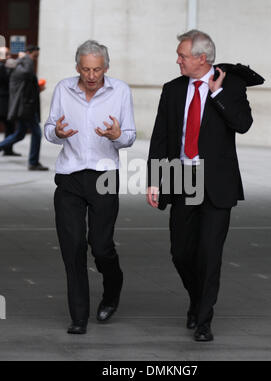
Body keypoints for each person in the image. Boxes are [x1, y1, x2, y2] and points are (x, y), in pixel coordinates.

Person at [147, 30, 253, 342]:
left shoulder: (231, 85)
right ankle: (197, 299)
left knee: (209, 253)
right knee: (180, 252)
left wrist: (217, 94)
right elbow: (160, 139)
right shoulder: (172, 89)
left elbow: (243, 124)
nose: (177, 60)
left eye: (182, 55)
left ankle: (204, 318)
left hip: (217, 181)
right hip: (182, 178)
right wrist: (155, 179)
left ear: (201, 58)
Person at [44, 40, 136, 334]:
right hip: (70, 176)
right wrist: (56, 133)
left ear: (106, 68)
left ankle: (112, 289)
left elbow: (129, 137)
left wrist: (117, 135)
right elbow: (49, 130)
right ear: (77, 68)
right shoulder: (63, 89)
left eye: (97, 69)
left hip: (104, 175)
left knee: (101, 246)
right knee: (72, 247)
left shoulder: (120, 91)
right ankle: (78, 317)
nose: (91, 75)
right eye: (86, 69)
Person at [0, 45, 48, 170]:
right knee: (37, 133)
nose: (35, 59)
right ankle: (33, 162)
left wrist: (38, 89)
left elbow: (27, 85)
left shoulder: (21, 66)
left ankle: (33, 161)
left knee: (20, 134)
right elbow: (26, 74)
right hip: (25, 106)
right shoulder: (21, 66)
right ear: (28, 53)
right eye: (34, 56)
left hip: (27, 105)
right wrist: (26, 58)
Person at [0, 47, 20, 156]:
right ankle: (7, 149)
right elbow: (8, 80)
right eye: (6, 54)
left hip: (5, 100)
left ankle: (8, 149)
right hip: (3, 101)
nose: (9, 57)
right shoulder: (2, 67)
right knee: (9, 125)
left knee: (10, 126)